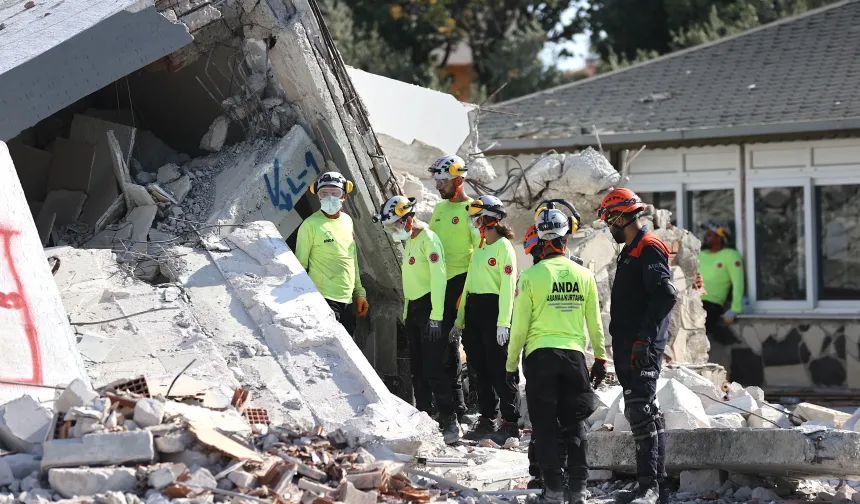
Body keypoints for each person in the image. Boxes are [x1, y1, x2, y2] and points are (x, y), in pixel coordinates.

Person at [507, 200, 608, 504]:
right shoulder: (585, 276)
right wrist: (600, 358)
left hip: (540, 358)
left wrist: (511, 364)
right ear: (566, 239)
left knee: (546, 425)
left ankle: (552, 490)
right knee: (574, 423)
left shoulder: (531, 277)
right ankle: (578, 489)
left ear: (539, 240)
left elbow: (520, 328)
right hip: (574, 357)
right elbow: (595, 324)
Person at [598, 188, 678, 504]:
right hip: (629, 344)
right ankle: (651, 484)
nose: (608, 226)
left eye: (608, 220)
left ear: (620, 216)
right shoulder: (631, 249)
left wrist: (645, 338)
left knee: (641, 409)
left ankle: (652, 488)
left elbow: (666, 294)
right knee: (642, 412)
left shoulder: (648, 247)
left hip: (642, 346)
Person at [373, 195, 463, 444]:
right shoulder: (410, 242)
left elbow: (438, 279)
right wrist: (406, 313)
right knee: (418, 371)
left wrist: (436, 317)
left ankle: (450, 419)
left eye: (394, 226)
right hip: (413, 310)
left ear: (408, 219)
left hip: (430, 310)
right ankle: (426, 417)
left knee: (434, 368)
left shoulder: (428, 240)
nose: (393, 231)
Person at [450, 195, 519, 443]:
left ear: (490, 219)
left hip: (494, 310)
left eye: (477, 217)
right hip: (475, 310)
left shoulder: (504, 248)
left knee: (501, 370)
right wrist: (460, 320)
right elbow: (469, 284)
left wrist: (504, 323)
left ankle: (510, 423)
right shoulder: (480, 247)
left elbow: (508, 287)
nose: (473, 221)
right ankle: (487, 418)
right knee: (479, 370)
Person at [428, 154, 479, 422]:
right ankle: (454, 408)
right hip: (440, 285)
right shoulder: (439, 210)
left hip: (462, 283)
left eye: (443, 181)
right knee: (445, 350)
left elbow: (481, 250)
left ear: (459, 180)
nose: (438, 186)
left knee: (470, 347)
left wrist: (466, 291)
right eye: (436, 181)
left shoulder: (471, 210)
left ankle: (482, 412)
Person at [296, 172, 368, 335]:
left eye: (335, 193)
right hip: (323, 299)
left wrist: (359, 293)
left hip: (348, 301)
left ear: (344, 195)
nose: (329, 198)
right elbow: (299, 266)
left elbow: (352, 259)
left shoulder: (347, 221)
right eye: (324, 193)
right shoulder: (310, 225)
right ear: (318, 196)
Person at [698, 222, 744, 345]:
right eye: (706, 235)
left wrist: (735, 309)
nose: (705, 237)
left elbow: (738, 283)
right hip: (690, 302)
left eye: (710, 235)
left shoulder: (730, 255)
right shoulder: (699, 255)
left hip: (711, 304)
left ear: (720, 238)